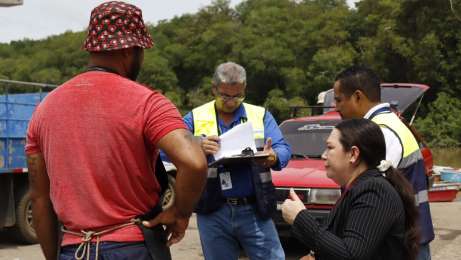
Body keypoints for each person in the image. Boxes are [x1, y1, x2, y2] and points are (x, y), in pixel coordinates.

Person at [25, 2, 207, 260]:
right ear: (130, 51)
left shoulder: (43, 111)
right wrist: (180, 213)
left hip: (74, 249)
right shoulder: (147, 102)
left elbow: (40, 200)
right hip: (133, 246)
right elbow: (195, 162)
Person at [184, 62, 291, 260]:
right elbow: (168, 149)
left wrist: (273, 157)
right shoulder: (195, 117)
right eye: (225, 95)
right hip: (213, 210)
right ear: (213, 89)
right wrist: (197, 145)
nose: (231, 101)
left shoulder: (260, 115)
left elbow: (283, 149)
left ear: (245, 89)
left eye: (237, 96)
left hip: (254, 209)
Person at [332, 66, 434, 259]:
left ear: (358, 97)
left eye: (338, 100)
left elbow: (370, 190)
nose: (336, 108)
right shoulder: (388, 123)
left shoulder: (382, 132)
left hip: (402, 244)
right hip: (407, 236)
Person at [282, 119, 420, 260]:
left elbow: (350, 255)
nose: (324, 155)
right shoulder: (357, 187)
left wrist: (300, 218)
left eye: (330, 148)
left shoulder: (374, 191)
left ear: (353, 154)